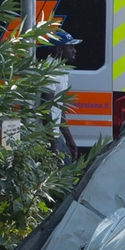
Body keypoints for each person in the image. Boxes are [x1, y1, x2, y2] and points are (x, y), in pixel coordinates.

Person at [39, 29, 81, 158]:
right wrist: (52, 145)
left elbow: (59, 108)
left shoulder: (60, 69)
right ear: (59, 50)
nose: (74, 50)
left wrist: (69, 139)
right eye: (70, 47)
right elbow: (46, 108)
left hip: (55, 135)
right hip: (45, 137)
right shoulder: (50, 70)